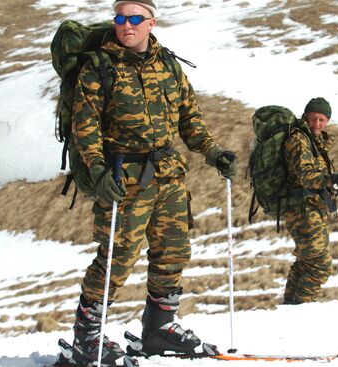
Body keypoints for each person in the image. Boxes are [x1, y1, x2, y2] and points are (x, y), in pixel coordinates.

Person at [69, 0, 237, 363]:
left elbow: (190, 120)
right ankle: (88, 337)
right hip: (123, 178)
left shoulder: (169, 65)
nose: (125, 25)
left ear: (150, 23)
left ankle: (160, 328)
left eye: (133, 19)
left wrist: (213, 152)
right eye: (119, 18)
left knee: (173, 251)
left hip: (168, 174)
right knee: (117, 258)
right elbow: (85, 129)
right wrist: (98, 173)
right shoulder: (99, 67)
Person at [281, 97, 338, 305]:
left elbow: (317, 177)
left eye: (322, 119)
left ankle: (289, 309)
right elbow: (305, 176)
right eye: (313, 118)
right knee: (319, 265)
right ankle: (299, 309)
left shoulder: (315, 141)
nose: (317, 123)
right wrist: (334, 179)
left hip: (311, 208)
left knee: (306, 262)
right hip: (302, 209)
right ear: (306, 117)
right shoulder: (299, 139)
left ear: (327, 120)